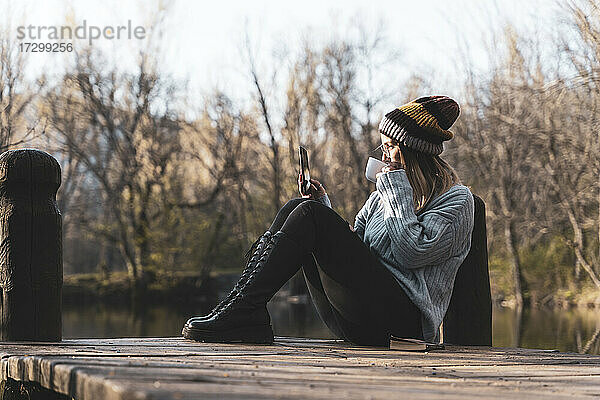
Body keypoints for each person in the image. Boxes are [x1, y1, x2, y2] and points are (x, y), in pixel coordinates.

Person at [182, 95, 475, 346]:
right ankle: (242, 308)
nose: (383, 155)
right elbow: (357, 247)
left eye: (389, 148)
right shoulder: (384, 194)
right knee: (300, 207)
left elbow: (412, 252)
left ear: (411, 150)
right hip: (360, 317)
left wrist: (395, 187)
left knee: (311, 216)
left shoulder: (457, 201)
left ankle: (245, 312)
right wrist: (324, 205)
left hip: (403, 327)